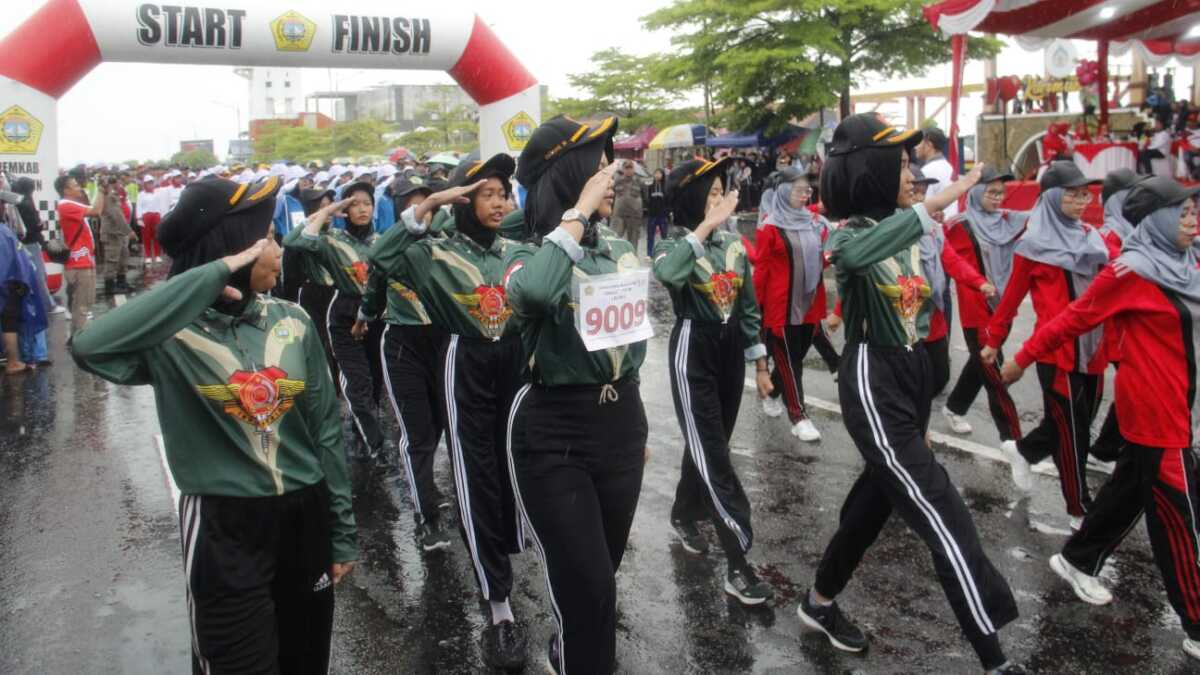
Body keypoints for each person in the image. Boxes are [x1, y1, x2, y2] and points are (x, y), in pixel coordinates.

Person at [70, 175, 357, 674]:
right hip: (226, 528)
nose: (278, 246)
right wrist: (213, 272)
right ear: (234, 247)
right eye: (265, 236)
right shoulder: (169, 334)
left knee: (307, 661)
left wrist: (341, 529)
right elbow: (91, 347)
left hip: (303, 517)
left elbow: (325, 429)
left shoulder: (292, 321)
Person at [797, 114, 1023, 675]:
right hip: (873, 384)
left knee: (873, 508)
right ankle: (995, 659)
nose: (912, 176)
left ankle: (819, 602)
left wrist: (922, 402)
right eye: (899, 165)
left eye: (911, 165)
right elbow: (850, 259)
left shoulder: (908, 229)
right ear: (870, 169)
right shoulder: (851, 234)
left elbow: (919, 318)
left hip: (909, 381)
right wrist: (952, 193)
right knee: (944, 514)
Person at [999, 176, 1200, 664]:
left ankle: (1076, 558)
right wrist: (1020, 358)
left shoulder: (1186, 264)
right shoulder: (1130, 271)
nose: (1194, 219)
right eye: (1185, 212)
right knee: (1182, 516)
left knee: (1133, 485)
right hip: (1153, 407)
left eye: (1195, 210)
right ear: (1157, 219)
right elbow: (1074, 318)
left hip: (1179, 400)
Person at [365, 153, 529, 669]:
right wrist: (427, 207)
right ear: (462, 201)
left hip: (518, 365)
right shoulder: (431, 252)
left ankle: (515, 550)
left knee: (520, 467)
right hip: (467, 362)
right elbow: (381, 258)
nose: (500, 201)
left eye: (504, 192)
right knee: (476, 472)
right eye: (487, 192)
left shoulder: (518, 249)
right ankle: (498, 606)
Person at [504, 114, 647, 675]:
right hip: (553, 433)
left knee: (601, 579)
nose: (610, 177)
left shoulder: (616, 245)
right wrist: (575, 218)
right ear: (568, 178)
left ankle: (573, 653)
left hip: (620, 425)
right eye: (597, 167)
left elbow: (631, 341)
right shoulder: (524, 248)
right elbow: (534, 292)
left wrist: (633, 425)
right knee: (587, 587)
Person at [654, 155, 776, 606]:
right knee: (716, 458)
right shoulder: (672, 245)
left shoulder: (734, 246)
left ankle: (685, 513)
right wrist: (705, 228)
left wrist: (760, 365)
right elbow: (668, 274)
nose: (719, 200)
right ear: (689, 198)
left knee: (710, 445)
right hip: (693, 350)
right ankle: (738, 562)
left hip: (730, 355)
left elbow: (747, 308)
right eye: (709, 193)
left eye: (722, 191)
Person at [982, 162, 1113, 526]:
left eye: (1085, 193)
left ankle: (1024, 451)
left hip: (1094, 350)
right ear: (1053, 197)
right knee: (1072, 434)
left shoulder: (1092, 236)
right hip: (1054, 352)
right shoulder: (1032, 245)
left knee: (1078, 423)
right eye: (1073, 193)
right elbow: (1010, 299)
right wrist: (994, 339)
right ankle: (1078, 508)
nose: (1082, 200)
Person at [358, 175, 450, 552]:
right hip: (402, 347)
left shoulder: (446, 245)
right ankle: (427, 518)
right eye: (414, 205)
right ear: (399, 210)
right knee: (418, 435)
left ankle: (426, 486)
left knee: (442, 424)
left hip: (443, 343)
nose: (423, 211)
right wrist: (365, 313)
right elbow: (375, 283)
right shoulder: (387, 246)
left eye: (428, 202)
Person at [283, 182, 386, 460]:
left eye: (367, 203)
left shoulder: (381, 242)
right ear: (345, 210)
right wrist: (326, 212)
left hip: (377, 315)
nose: (362, 209)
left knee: (375, 382)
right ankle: (377, 448)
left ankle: (363, 432)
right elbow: (293, 242)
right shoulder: (333, 240)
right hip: (344, 314)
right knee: (357, 381)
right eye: (354, 204)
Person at [941, 167, 1027, 448]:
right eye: (991, 192)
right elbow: (953, 261)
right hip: (976, 308)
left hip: (1004, 305)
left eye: (1001, 193)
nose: (998, 198)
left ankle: (954, 407)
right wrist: (979, 284)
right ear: (976, 192)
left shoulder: (1008, 221)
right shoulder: (960, 225)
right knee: (993, 370)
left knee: (980, 362)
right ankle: (1012, 439)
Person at [752, 167, 837, 441]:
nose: (805, 195)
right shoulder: (770, 227)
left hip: (809, 304)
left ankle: (773, 392)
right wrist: (755, 311)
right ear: (785, 192)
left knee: (793, 359)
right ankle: (799, 416)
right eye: (800, 190)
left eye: (807, 190)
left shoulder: (812, 222)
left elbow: (815, 259)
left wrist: (831, 258)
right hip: (780, 309)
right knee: (791, 363)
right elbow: (762, 271)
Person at [909, 167, 998, 399]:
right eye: (913, 192)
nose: (919, 197)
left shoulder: (934, 230)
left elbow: (953, 261)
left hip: (933, 315)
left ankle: (918, 423)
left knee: (939, 376)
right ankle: (912, 428)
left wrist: (980, 283)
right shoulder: (889, 230)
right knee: (908, 378)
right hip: (903, 320)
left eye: (922, 192)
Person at [54, 174, 104, 333]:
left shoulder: (69, 204)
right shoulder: (66, 205)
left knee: (81, 304)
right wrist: (101, 190)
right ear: (66, 190)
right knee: (82, 305)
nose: (79, 188)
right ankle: (80, 340)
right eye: (75, 185)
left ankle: (77, 336)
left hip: (82, 260)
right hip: (79, 264)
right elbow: (96, 211)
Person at [98, 176, 133, 295]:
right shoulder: (109, 197)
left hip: (119, 233)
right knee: (112, 260)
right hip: (112, 233)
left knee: (123, 258)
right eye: (116, 183)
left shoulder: (116, 196)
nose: (119, 185)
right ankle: (109, 286)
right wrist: (129, 231)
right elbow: (116, 216)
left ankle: (121, 282)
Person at [915, 127, 959, 219]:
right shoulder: (948, 167)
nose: (916, 147)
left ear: (929, 144)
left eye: (919, 142)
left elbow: (925, 207)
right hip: (951, 224)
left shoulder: (927, 171)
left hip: (938, 226)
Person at [610, 160, 645, 253]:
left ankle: (633, 259)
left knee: (633, 242)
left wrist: (644, 214)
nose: (629, 170)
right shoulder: (616, 181)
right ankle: (615, 258)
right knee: (615, 238)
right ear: (623, 169)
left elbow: (646, 198)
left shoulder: (640, 181)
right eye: (626, 168)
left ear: (634, 169)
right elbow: (611, 196)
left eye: (630, 168)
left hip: (634, 216)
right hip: (619, 215)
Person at [136, 175, 164, 265]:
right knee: (146, 237)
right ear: (145, 184)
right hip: (146, 216)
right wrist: (139, 218)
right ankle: (148, 256)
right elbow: (139, 206)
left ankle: (157, 255)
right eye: (148, 183)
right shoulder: (141, 194)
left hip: (156, 215)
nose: (150, 185)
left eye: (152, 183)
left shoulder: (158, 193)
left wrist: (162, 216)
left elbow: (161, 205)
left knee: (157, 236)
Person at [645, 168, 669, 257]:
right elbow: (647, 199)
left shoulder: (666, 187)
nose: (657, 175)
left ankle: (665, 252)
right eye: (656, 173)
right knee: (650, 236)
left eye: (659, 173)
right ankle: (649, 254)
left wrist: (667, 212)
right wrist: (649, 209)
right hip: (652, 215)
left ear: (662, 175)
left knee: (664, 236)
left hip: (663, 215)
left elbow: (668, 200)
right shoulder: (650, 186)